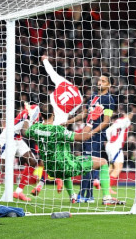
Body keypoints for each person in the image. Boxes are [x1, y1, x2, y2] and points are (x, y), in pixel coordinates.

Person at [22, 103, 125, 205]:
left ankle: (73, 197)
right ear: (53, 114)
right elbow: (83, 137)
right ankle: (107, 198)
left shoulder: (35, 128)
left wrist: (27, 117)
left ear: (40, 115)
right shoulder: (58, 130)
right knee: (103, 162)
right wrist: (90, 121)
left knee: (67, 160)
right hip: (67, 166)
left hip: (51, 170)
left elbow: (24, 131)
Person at [31, 55, 84, 196]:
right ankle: (66, 190)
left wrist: (45, 60)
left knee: (46, 155)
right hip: (60, 125)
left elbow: (51, 72)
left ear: (72, 81)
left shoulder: (64, 82)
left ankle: (42, 184)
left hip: (45, 116)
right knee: (62, 157)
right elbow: (70, 113)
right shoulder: (80, 99)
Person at [65, 73, 115, 203]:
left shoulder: (109, 99)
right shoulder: (93, 96)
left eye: (103, 81)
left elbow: (106, 121)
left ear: (108, 85)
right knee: (89, 163)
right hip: (87, 134)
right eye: (99, 80)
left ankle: (82, 195)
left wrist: (93, 132)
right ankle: (89, 195)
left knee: (88, 162)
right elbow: (85, 113)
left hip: (96, 135)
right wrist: (69, 122)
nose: (100, 83)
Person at [105, 111, 134, 194]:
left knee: (111, 166)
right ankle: (108, 187)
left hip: (110, 145)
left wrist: (109, 140)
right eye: (131, 114)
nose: (132, 116)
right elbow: (128, 123)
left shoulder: (117, 121)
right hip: (116, 146)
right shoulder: (125, 120)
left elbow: (107, 131)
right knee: (118, 167)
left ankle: (100, 182)